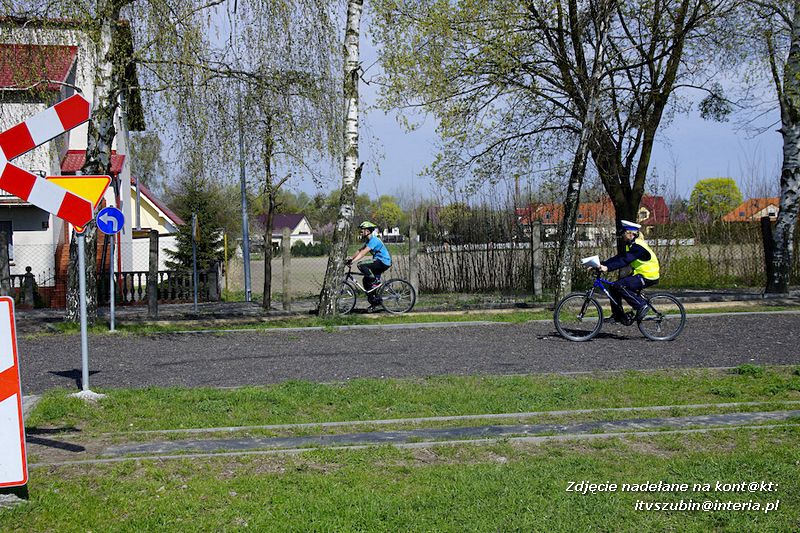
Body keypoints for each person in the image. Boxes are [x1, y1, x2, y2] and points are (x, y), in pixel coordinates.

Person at [599, 219, 660, 324]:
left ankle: (641, 305)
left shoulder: (638, 247)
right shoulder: (631, 245)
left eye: (623, 233)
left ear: (630, 234)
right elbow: (619, 257)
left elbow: (625, 260)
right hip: (640, 275)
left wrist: (607, 268)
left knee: (620, 285)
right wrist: (601, 264)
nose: (622, 235)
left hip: (648, 276)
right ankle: (618, 316)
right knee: (613, 287)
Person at [346, 220, 392, 311]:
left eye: (362, 230)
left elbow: (363, 253)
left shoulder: (374, 240)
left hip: (383, 261)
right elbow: (360, 250)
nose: (360, 232)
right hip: (379, 261)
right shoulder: (369, 240)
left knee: (361, 264)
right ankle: (375, 302)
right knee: (366, 281)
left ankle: (375, 281)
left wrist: (353, 261)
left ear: (367, 231)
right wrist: (351, 258)